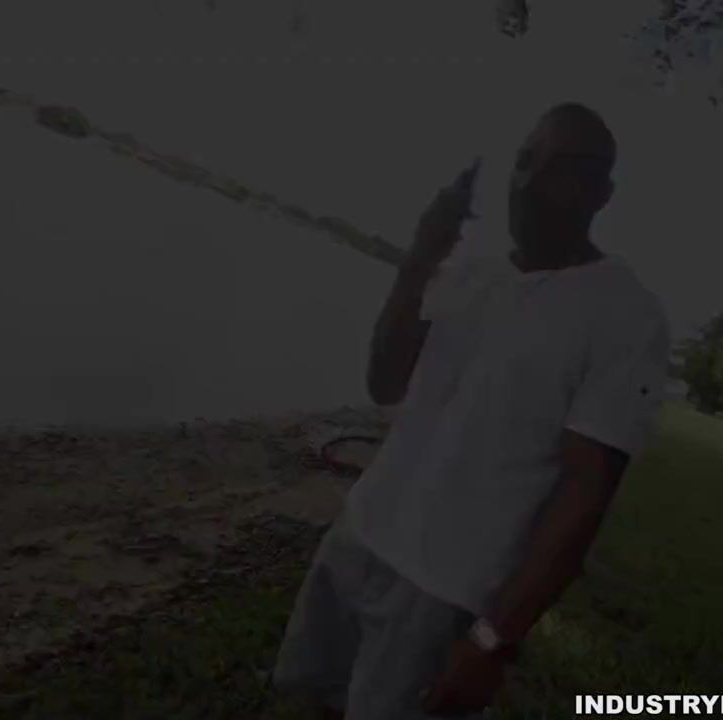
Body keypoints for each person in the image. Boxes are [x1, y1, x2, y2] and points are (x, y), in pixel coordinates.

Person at [272, 102, 672, 719]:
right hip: (357, 537)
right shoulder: (472, 273)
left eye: (562, 168)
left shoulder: (627, 317)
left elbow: (583, 498)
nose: (529, 182)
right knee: (307, 702)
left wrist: (493, 639)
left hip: (441, 592)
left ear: (602, 193)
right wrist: (420, 256)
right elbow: (384, 381)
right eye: (525, 160)